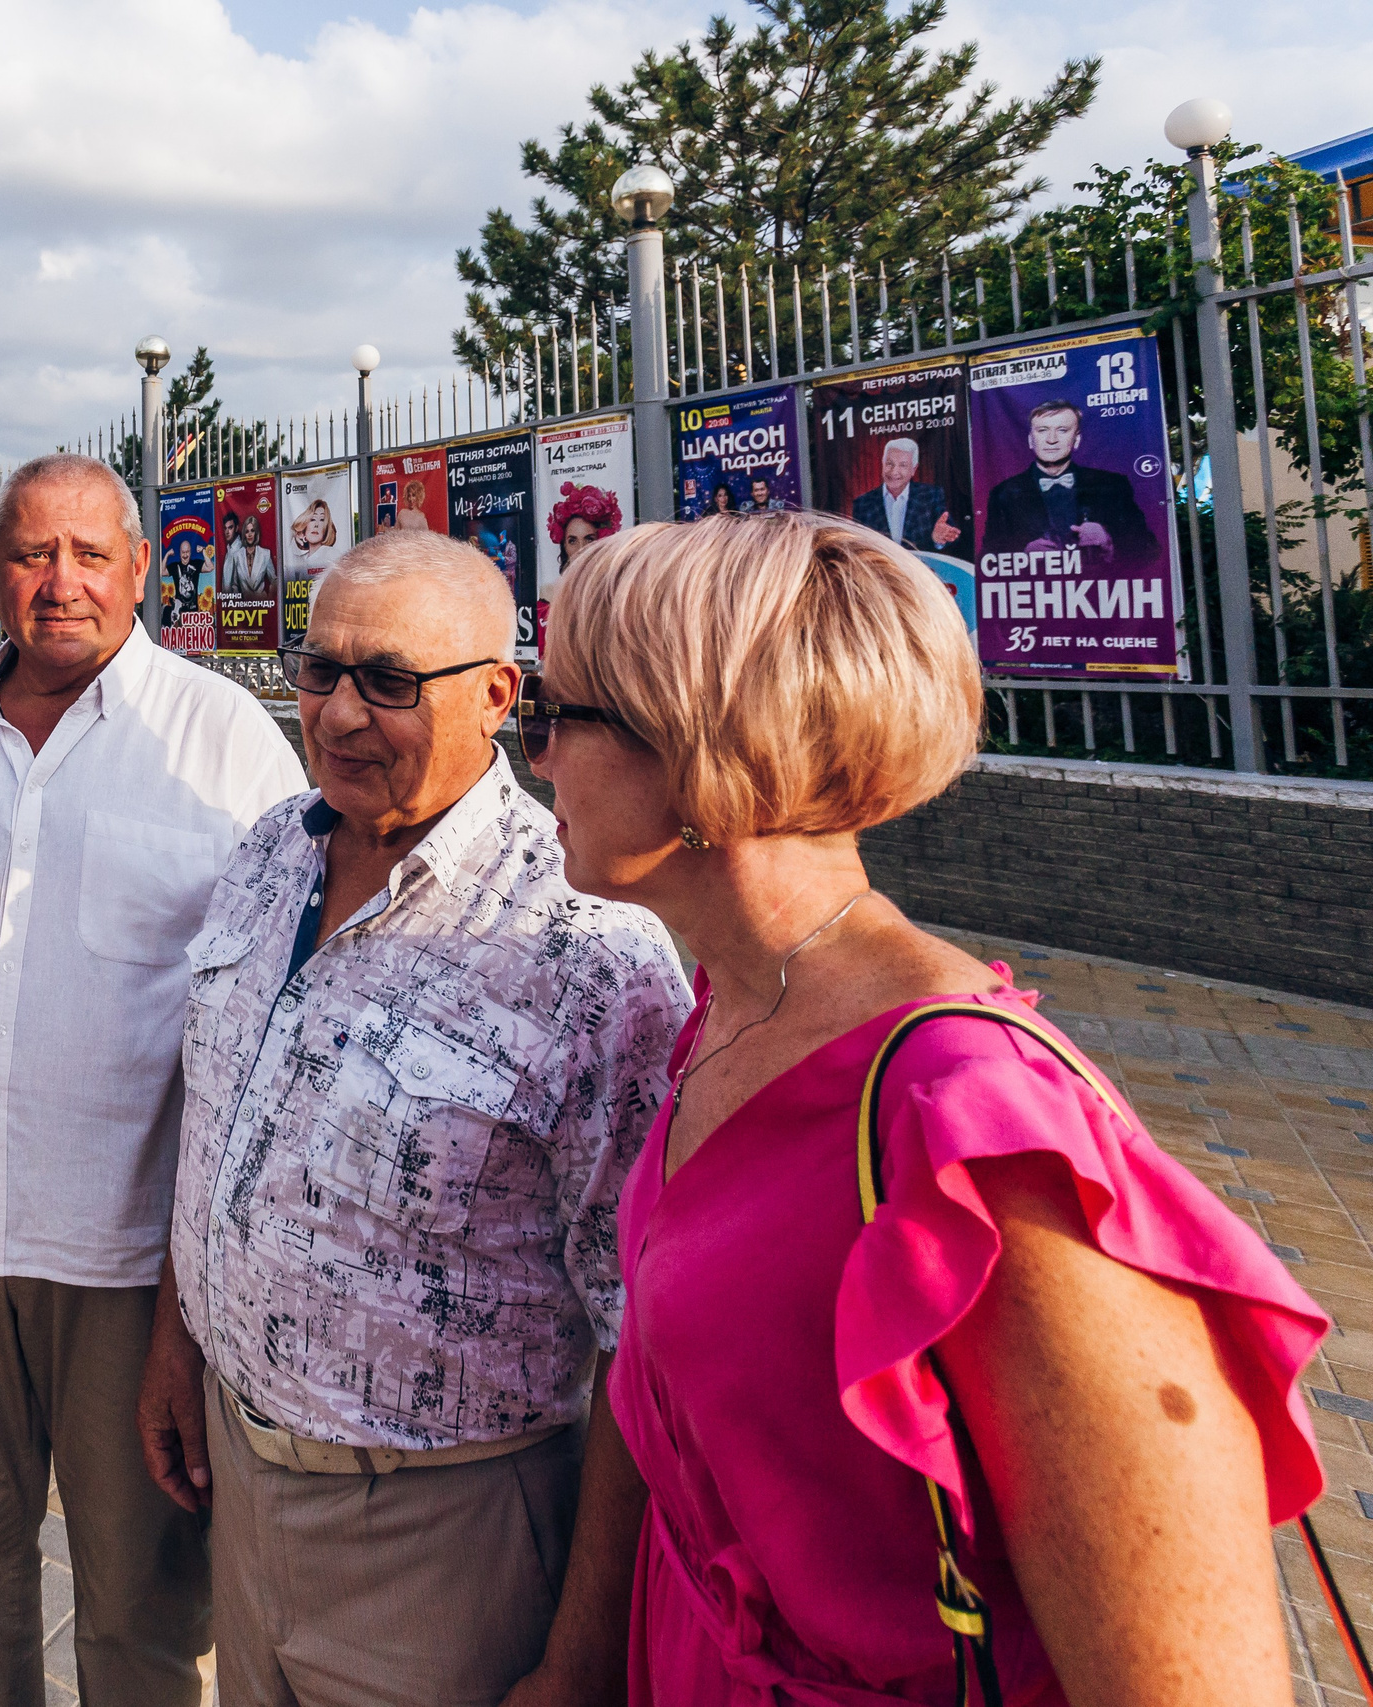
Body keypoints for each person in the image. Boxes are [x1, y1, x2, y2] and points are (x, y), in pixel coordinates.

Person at [501, 511, 1328, 1707]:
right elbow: (659, 1385)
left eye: (556, 715)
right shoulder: (728, 1005)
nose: (535, 758)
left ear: (695, 753)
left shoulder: (984, 1135)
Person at [141, 531, 688, 1706]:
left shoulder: (588, 953)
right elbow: (218, 1135)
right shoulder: (265, 858)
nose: (337, 715)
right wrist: (176, 1348)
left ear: (498, 695)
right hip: (243, 1484)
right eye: (317, 669)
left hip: (450, 1539)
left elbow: (646, 1337)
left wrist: (584, 1649)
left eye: (387, 681)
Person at [0, 454, 305, 1706]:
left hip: (130, 1263)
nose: (62, 582)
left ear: (140, 568)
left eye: (92, 555)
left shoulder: (222, 741)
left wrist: (202, 1302)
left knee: (141, 1595)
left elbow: (270, 1016)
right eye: (32, 554)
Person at [977, 399, 1158, 561]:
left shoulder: (1112, 486)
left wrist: (1109, 542)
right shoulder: (1004, 493)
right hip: (1034, 593)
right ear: (1031, 440)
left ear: (1076, 440)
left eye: (1062, 430)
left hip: (1102, 592)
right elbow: (987, 559)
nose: (1052, 440)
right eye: (1042, 430)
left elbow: (1150, 550)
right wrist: (1022, 556)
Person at [850, 436, 962, 551]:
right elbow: (857, 548)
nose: (894, 471)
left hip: (918, 567)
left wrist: (937, 539)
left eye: (903, 465)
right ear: (882, 464)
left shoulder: (931, 495)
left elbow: (952, 537)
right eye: (889, 463)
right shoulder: (862, 504)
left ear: (914, 469)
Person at [223, 510, 276, 595]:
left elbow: (274, 580)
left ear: (256, 532)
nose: (250, 534)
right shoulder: (237, 555)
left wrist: (270, 598)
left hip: (263, 604)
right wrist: (237, 602)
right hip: (245, 605)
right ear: (244, 534)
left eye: (252, 530)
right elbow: (235, 585)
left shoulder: (265, 554)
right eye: (247, 531)